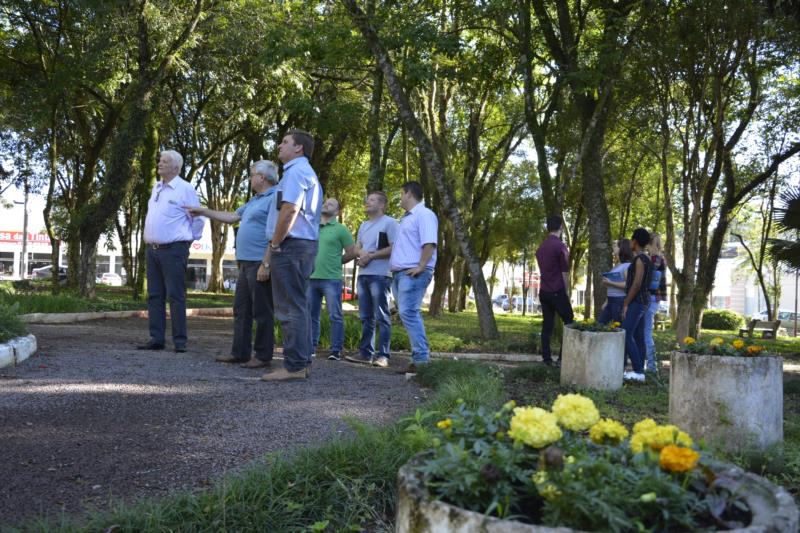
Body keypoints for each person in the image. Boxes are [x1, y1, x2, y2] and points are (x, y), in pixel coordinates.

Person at [185, 160, 279, 369]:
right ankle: (240, 353)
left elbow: (276, 233)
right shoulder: (254, 200)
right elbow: (232, 217)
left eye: (252, 174)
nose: (250, 178)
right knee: (241, 310)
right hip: (245, 262)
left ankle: (263, 356)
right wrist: (203, 211)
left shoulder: (275, 198)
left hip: (259, 262)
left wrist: (267, 263)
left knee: (262, 311)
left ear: (262, 177)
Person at [259, 130, 322, 381]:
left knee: (289, 308)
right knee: (298, 306)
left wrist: (275, 244)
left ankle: (294, 366)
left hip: (291, 246)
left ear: (299, 148)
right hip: (300, 246)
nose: (279, 145)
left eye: (285, 142)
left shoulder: (296, 172)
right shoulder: (301, 172)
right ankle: (300, 363)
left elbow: (289, 210)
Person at [138, 150, 204, 353]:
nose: (159, 163)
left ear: (176, 167)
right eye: (160, 160)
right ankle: (156, 339)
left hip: (174, 250)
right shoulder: (156, 187)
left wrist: (186, 243)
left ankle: (180, 341)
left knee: (176, 296)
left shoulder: (185, 189)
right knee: (155, 296)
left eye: (165, 161)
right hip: (153, 250)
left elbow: (198, 219)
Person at [345, 191, 399, 368]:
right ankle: (366, 353)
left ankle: (383, 355)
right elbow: (357, 247)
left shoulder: (390, 223)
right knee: (366, 316)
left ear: (382, 205)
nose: (367, 202)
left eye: (372, 200)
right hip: (363, 275)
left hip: (381, 275)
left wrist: (371, 256)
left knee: (382, 315)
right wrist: (362, 255)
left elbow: (394, 248)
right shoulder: (363, 224)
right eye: (367, 200)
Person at [389, 181, 438, 372]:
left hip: (413, 273)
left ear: (408, 193)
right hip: (401, 273)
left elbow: (429, 243)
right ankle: (418, 360)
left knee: (408, 313)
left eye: (401, 194)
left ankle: (421, 362)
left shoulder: (424, 214)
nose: (400, 198)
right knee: (407, 313)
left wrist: (421, 266)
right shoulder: (407, 218)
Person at [308, 198, 357, 361]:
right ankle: (311, 348)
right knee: (311, 315)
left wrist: (339, 261)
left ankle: (336, 350)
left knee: (335, 315)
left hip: (331, 279)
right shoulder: (312, 226)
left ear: (337, 212)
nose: (326, 205)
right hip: (311, 278)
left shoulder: (341, 229)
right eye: (325, 203)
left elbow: (352, 251)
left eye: (331, 204)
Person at [535, 214, 574, 366]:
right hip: (557, 289)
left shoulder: (541, 248)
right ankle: (563, 359)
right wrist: (567, 292)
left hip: (544, 291)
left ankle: (546, 359)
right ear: (561, 228)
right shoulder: (560, 246)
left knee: (547, 325)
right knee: (569, 321)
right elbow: (564, 272)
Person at [620, 228, 653, 383]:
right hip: (644, 301)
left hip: (637, 301)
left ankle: (638, 370)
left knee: (626, 333)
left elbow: (637, 283)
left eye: (632, 240)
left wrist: (626, 302)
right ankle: (640, 370)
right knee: (638, 336)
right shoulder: (647, 259)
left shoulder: (639, 259)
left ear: (634, 241)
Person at [645, 233, 668, 373]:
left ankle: (652, 367)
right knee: (646, 333)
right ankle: (650, 365)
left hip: (651, 298)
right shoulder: (660, 258)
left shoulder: (655, 259)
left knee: (646, 333)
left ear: (650, 244)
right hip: (655, 299)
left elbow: (649, 282)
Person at [599, 239, 632, 324]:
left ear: (622, 248)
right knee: (600, 324)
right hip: (610, 300)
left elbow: (628, 285)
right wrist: (606, 301)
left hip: (619, 300)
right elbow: (611, 285)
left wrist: (610, 283)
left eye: (616, 246)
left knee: (618, 327)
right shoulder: (617, 265)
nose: (613, 247)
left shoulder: (627, 266)